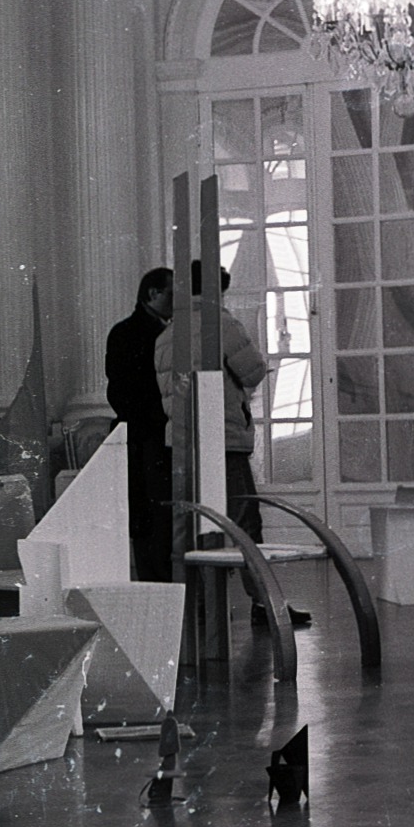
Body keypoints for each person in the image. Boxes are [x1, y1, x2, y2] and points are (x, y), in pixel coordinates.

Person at [154, 261, 309, 626]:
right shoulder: (222, 325)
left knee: (189, 525)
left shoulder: (165, 335)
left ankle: (195, 608)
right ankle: (264, 605)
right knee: (244, 523)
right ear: (216, 291)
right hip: (224, 440)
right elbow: (253, 370)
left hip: (182, 444)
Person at [106, 267, 174, 582]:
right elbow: (121, 391)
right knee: (152, 518)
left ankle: (158, 587)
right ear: (152, 294)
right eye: (172, 293)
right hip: (148, 437)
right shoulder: (138, 334)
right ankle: (159, 587)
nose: (177, 301)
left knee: (151, 519)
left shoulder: (126, 332)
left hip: (145, 436)